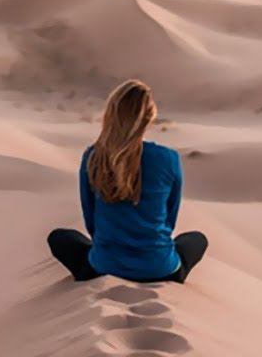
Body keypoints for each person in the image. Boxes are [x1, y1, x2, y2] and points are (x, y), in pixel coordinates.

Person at [47, 79, 208, 283]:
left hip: (103, 266)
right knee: (196, 239)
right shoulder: (168, 158)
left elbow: (91, 222)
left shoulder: (94, 157)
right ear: (149, 117)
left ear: (110, 114)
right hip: (160, 268)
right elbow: (169, 219)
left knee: (60, 238)